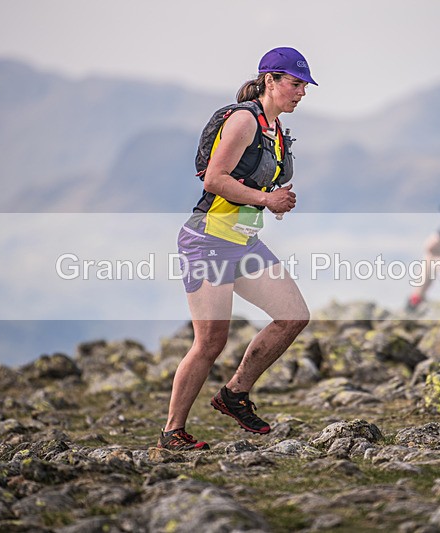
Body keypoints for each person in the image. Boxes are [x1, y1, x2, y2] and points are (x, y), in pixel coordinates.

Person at [158, 47, 315, 450]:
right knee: (210, 342)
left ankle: (234, 393)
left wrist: (273, 198)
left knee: (293, 316)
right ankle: (172, 433)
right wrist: (267, 200)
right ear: (270, 81)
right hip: (207, 240)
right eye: (295, 84)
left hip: (243, 242)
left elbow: (251, 184)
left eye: (304, 86)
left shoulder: (276, 131)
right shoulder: (245, 120)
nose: (301, 93)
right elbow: (214, 180)